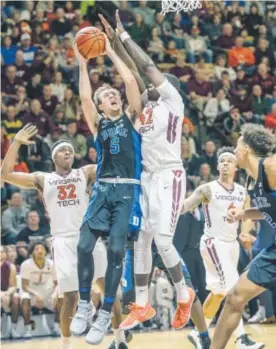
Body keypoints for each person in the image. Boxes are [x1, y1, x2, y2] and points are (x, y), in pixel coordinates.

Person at [102, 11, 195, 332]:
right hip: (146, 179)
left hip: (170, 176)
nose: (152, 84)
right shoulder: (146, 106)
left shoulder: (172, 101)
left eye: (157, 82)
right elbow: (134, 76)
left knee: (164, 242)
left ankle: (185, 294)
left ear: (168, 87)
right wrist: (113, 41)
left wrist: (125, 36)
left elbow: (146, 68)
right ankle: (142, 304)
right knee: (141, 240)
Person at [0, 125, 109, 349]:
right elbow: (6, 175)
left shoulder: (85, 172)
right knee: (68, 298)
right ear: (54, 157)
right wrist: (17, 143)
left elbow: (114, 167)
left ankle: (119, 338)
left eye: (71, 149)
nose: (69, 152)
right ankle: (65, 345)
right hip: (62, 239)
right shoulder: (43, 178)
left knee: (107, 288)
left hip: (88, 236)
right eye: (63, 150)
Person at [70, 33, 143, 346]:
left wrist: (111, 50)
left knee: (116, 252)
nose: (114, 96)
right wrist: (81, 63)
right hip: (101, 191)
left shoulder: (131, 118)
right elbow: (85, 98)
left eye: (115, 94)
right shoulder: (99, 123)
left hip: (126, 192)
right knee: (84, 246)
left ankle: (104, 314)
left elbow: (130, 82)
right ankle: (85, 304)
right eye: (108, 96)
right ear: (101, 105)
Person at [181, 146, 264, 349]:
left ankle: (198, 332)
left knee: (218, 291)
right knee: (234, 288)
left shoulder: (242, 191)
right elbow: (185, 205)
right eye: (222, 161)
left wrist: (245, 232)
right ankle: (241, 339)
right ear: (217, 166)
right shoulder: (208, 188)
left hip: (231, 245)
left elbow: (247, 215)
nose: (226, 163)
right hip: (213, 243)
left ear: (236, 166)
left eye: (229, 161)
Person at [211, 124, 276, 349]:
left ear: (246, 149)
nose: (234, 149)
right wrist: (242, 214)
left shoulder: (271, 166)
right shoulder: (251, 181)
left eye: (238, 145)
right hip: (274, 250)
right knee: (235, 297)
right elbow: (268, 208)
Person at [20, 241, 60, 339]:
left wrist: (54, 294)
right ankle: (27, 329)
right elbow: (24, 286)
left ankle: (56, 327)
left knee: (61, 295)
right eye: (36, 249)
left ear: (46, 251)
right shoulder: (26, 264)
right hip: (30, 291)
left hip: (45, 292)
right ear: (32, 252)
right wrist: (36, 294)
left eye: (42, 249)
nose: (39, 251)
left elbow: (57, 284)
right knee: (25, 299)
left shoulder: (51, 264)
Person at [1, 245, 20, 339]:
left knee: (16, 297)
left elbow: (13, 286)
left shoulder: (11, 267)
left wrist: (6, 293)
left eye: (1, 252)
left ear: (4, 254)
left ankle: (13, 329)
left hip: (6, 294)